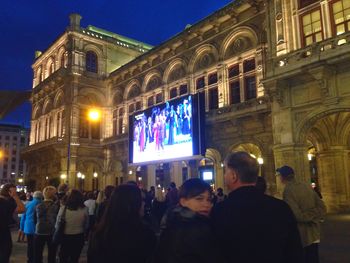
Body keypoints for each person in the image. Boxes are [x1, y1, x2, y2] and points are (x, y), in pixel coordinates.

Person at [212, 152, 304, 263]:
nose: (224, 175)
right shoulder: (281, 208)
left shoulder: (221, 211)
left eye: (225, 171)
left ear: (233, 176)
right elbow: (294, 251)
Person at [88, 184, 156, 263]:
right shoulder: (146, 235)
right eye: (142, 200)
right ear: (133, 204)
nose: (144, 204)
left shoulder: (98, 234)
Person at [155, 178, 218, 263]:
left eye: (209, 200)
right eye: (199, 199)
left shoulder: (172, 221)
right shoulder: (197, 229)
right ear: (183, 201)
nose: (206, 204)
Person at [277, 165, 326, 263]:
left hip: (301, 235)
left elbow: (297, 216)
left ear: (282, 177)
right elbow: (322, 207)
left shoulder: (288, 190)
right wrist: (314, 216)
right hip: (314, 232)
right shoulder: (306, 186)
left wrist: (307, 216)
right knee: (313, 258)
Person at [56, 189, 88, 263]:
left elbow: (57, 223)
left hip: (65, 236)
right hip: (79, 236)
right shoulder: (85, 209)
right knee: (74, 258)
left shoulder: (63, 208)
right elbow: (86, 224)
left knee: (63, 257)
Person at [0, 183, 25, 263]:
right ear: (9, 192)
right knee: (5, 253)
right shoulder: (6, 203)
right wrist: (15, 196)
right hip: (3, 232)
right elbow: (22, 209)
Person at [35, 186, 59, 263]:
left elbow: (35, 218)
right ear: (54, 195)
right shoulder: (56, 206)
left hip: (40, 230)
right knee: (52, 253)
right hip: (52, 231)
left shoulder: (38, 206)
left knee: (38, 253)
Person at [22, 191, 43, 263]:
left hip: (29, 228)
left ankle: (30, 259)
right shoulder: (42, 204)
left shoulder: (28, 204)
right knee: (39, 246)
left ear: (33, 196)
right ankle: (37, 260)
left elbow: (23, 217)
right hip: (39, 228)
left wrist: (21, 227)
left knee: (30, 245)